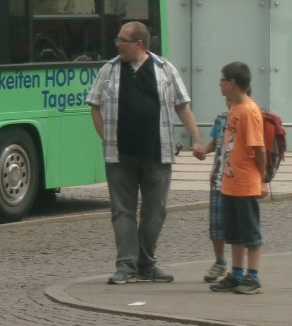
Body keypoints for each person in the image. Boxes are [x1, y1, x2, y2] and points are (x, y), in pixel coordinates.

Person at [87, 21, 202, 284]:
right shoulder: (110, 69)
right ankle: (126, 266)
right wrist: (107, 139)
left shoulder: (164, 69)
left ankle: (147, 263)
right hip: (120, 155)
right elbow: (94, 106)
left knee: (156, 211)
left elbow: (182, 105)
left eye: (122, 40)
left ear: (139, 44)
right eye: (117, 39)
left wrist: (196, 139)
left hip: (157, 153)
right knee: (122, 211)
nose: (117, 44)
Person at [207, 62, 266, 294]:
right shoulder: (234, 109)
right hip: (230, 183)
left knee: (250, 232)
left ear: (232, 83)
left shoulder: (249, 111)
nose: (219, 84)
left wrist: (261, 180)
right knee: (234, 233)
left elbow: (259, 149)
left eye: (222, 80)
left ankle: (253, 277)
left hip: (245, 183)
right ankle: (237, 273)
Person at [192, 108, 230, 283]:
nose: (229, 102)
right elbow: (214, 143)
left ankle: (242, 269)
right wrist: (202, 151)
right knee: (216, 225)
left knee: (242, 226)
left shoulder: (250, 114)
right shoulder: (221, 117)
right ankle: (220, 261)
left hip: (241, 180)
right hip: (218, 178)